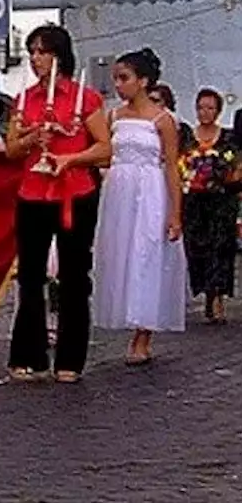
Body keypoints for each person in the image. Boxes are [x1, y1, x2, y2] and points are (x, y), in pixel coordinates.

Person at [4, 24, 110, 383]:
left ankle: (71, 359)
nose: (36, 60)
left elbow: (104, 148)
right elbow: (11, 148)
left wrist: (71, 160)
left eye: (43, 52)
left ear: (59, 55)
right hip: (33, 192)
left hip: (75, 192)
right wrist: (34, 136)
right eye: (32, 52)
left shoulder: (85, 98)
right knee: (31, 275)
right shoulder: (25, 100)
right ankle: (28, 354)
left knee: (74, 275)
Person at [92, 49, 186, 363]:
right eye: (116, 79)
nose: (118, 85)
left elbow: (172, 166)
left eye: (124, 78)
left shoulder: (163, 120)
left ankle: (144, 332)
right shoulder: (114, 116)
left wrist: (175, 212)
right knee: (123, 255)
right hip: (120, 191)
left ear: (143, 81)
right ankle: (127, 315)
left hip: (150, 191)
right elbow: (105, 154)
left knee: (146, 255)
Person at [182, 87, 240, 324]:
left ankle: (218, 297)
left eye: (210, 108)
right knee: (197, 247)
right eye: (201, 107)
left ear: (218, 111)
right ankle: (205, 292)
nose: (205, 112)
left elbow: (236, 164)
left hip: (221, 200)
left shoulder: (228, 137)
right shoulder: (188, 138)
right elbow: (180, 164)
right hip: (194, 201)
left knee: (221, 247)